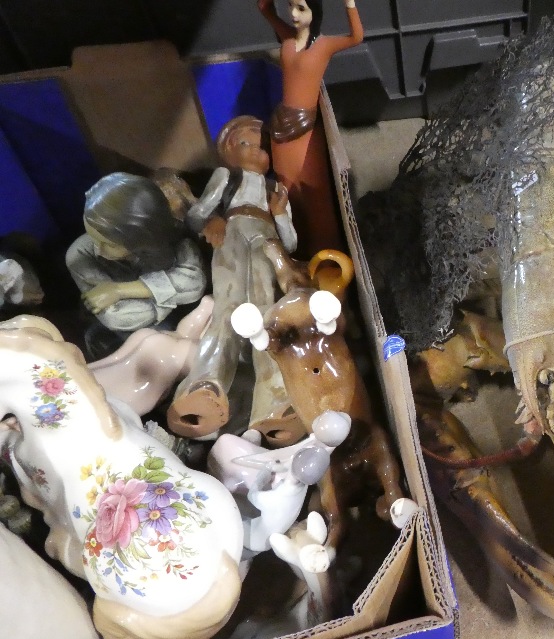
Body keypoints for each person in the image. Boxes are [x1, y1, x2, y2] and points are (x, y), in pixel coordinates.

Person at [167, 115, 302, 445]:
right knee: (228, 307)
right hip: (232, 233)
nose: (256, 151)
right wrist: (210, 220)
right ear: (228, 149)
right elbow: (197, 213)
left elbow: (292, 243)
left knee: (267, 312)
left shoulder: (274, 189)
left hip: (266, 240)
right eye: (246, 144)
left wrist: (281, 213)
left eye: (262, 147)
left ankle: (275, 399)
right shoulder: (225, 178)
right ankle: (205, 386)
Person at [257, 0, 364, 256]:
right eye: (291, 6)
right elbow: (264, 9)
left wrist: (349, 5)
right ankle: (296, 252)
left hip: (306, 129)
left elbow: (356, 37)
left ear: (315, 11)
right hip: (282, 128)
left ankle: (326, 255)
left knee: (315, 193)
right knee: (286, 189)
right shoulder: (288, 39)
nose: (293, 14)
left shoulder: (324, 45)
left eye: (301, 8)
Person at [65, 174, 206, 331]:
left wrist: (120, 290)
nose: (99, 249)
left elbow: (195, 283)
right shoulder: (80, 254)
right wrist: (169, 296)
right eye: (93, 238)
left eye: (109, 244)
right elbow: (115, 316)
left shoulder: (175, 240)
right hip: (138, 328)